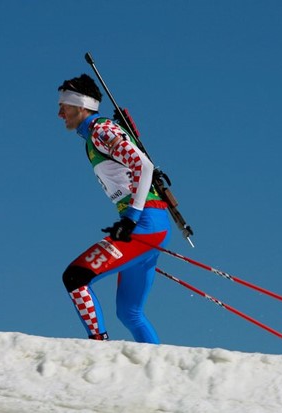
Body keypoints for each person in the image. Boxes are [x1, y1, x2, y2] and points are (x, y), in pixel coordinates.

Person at [57, 73, 171, 344]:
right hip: (148, 224)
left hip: (144, 225)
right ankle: (157, 372)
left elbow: (143, 166)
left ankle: (99, 348)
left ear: (81, 105)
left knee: (75, 278)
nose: (60, 112)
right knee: (130, 313)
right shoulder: (92, 137)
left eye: (64, 105)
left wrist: (131, 218)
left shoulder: (101, 130)